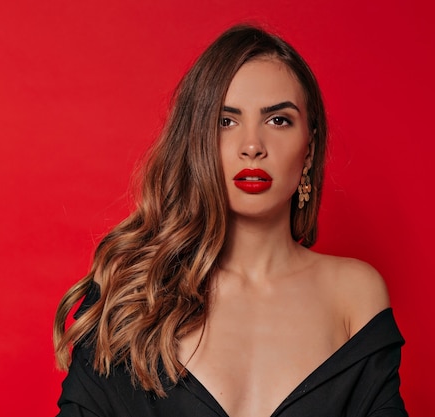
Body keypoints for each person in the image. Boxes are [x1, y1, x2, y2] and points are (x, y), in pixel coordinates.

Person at [54, 24, 408, 417]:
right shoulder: (132, 289)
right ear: (197, 141)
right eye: (226, 121)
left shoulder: (353, 295)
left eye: (278, 120)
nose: (252, 146)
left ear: (308, 150)